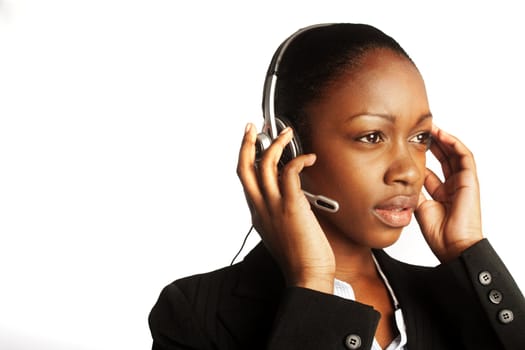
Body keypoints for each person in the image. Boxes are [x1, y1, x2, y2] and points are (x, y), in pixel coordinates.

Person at [148, 23, 525, 349]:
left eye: (420, 136)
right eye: (372, 136)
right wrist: (312, 284)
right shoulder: (194, 312)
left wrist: (468, 249)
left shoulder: (458, 298)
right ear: (287, 147)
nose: (409, 171)